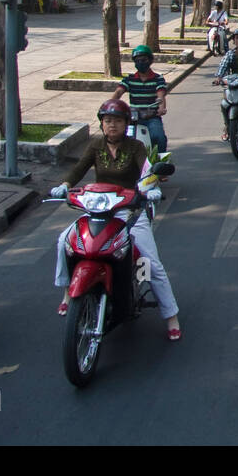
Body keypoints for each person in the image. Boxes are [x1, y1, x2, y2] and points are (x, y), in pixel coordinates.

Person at [51, 100, 182, 340]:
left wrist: (150, 188)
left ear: (126, 124)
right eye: (108, 120)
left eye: (118, 121)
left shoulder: (135, 147)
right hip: (98, 208)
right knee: (64, 242)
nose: (112, 125)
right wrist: (65, 185)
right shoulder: (96, 145)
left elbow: (147, 170)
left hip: (129, 210)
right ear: (101, 123)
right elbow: (79, 169)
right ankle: (68, 292)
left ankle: (170, 316)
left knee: (149, 263)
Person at [111, 44, 169, 153]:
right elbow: (119, 92)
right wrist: (111, 104)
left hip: (151, 117)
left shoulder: (158, 78)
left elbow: (160, 94)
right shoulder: (129, 79)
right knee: (116, 137)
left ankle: (160, 162)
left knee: (158, 137)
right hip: (132, 118)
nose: (140, 63)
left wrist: (161, 107)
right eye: (137, 60)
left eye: (143, 60)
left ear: (150, 61)